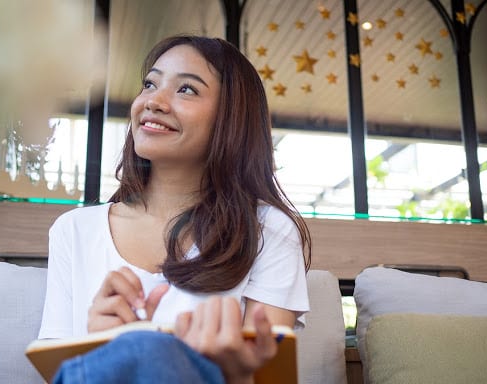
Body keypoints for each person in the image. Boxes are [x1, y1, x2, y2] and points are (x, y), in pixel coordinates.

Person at [39, 34, 312, 383]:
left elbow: (267, 376)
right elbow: (55, 374)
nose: (154, 101)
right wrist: (106, 348)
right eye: (150, 84)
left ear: (231, 119)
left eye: (186, 90)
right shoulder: (73, 230)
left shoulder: (268, 230)